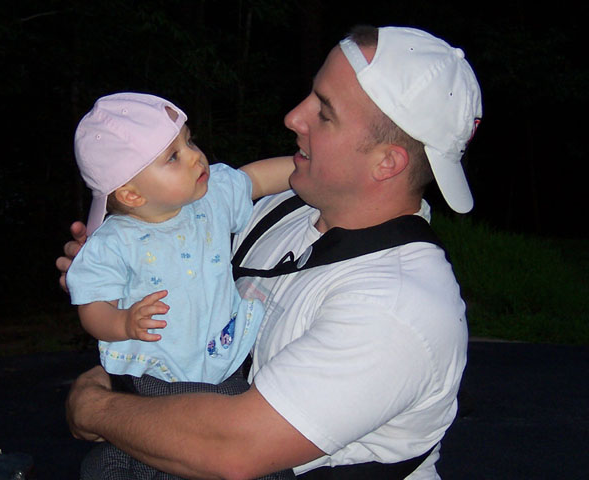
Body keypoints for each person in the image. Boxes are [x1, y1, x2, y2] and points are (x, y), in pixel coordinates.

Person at [60, 25, 482, 479]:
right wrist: (118, 271)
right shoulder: (284, 211)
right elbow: (185, 276)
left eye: (324, 112)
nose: (293, 117)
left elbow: (232, 450)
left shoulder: (399, 307)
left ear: (387, 162)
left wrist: (96, 407)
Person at [65, 92, 295, 478]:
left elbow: (254, 179)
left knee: (235, 441)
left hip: (223, 360)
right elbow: (91, 306)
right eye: (173, 156)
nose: (195, 157)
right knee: (150, 449)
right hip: (156, 373)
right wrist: (122, 323)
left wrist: (309, 165)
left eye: (189, 142)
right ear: (131, 193)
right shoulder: (113, 242)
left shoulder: (211, 198)